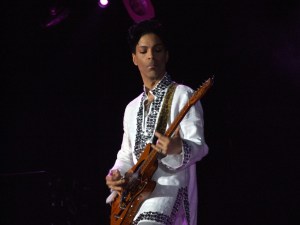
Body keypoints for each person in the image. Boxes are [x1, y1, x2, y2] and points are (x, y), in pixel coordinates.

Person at [105, 18, 209, 225]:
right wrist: (115, 175)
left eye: (157, 50)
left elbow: (200, 146)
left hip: (171, 187)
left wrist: (177, 147)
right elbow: (126, 155)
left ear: (166, 55)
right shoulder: (131, 108)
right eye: (143, 51)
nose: (151, 56)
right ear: (134, 58)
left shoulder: (183, 94)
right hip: (136, 195)